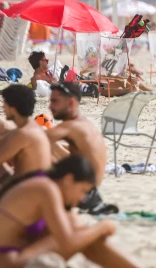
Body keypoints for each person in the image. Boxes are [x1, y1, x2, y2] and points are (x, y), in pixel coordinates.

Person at [0, 155, 156, 268]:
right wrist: (102, 227)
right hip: (3, 263)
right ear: (69, 179)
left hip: (0, 259)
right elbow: (67, 241)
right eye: (83, 191)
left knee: (77, 226)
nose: (83, 199)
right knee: (81, 232)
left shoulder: (44, 183)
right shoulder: (46, 188)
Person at [46, 82, 112, 213]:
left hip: (81, 193)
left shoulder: (72, 126)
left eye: (55, 101)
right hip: (92, 191)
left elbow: (34, 139)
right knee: (51, 148)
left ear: (71, 103)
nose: (50, 106)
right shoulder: (85, 124)